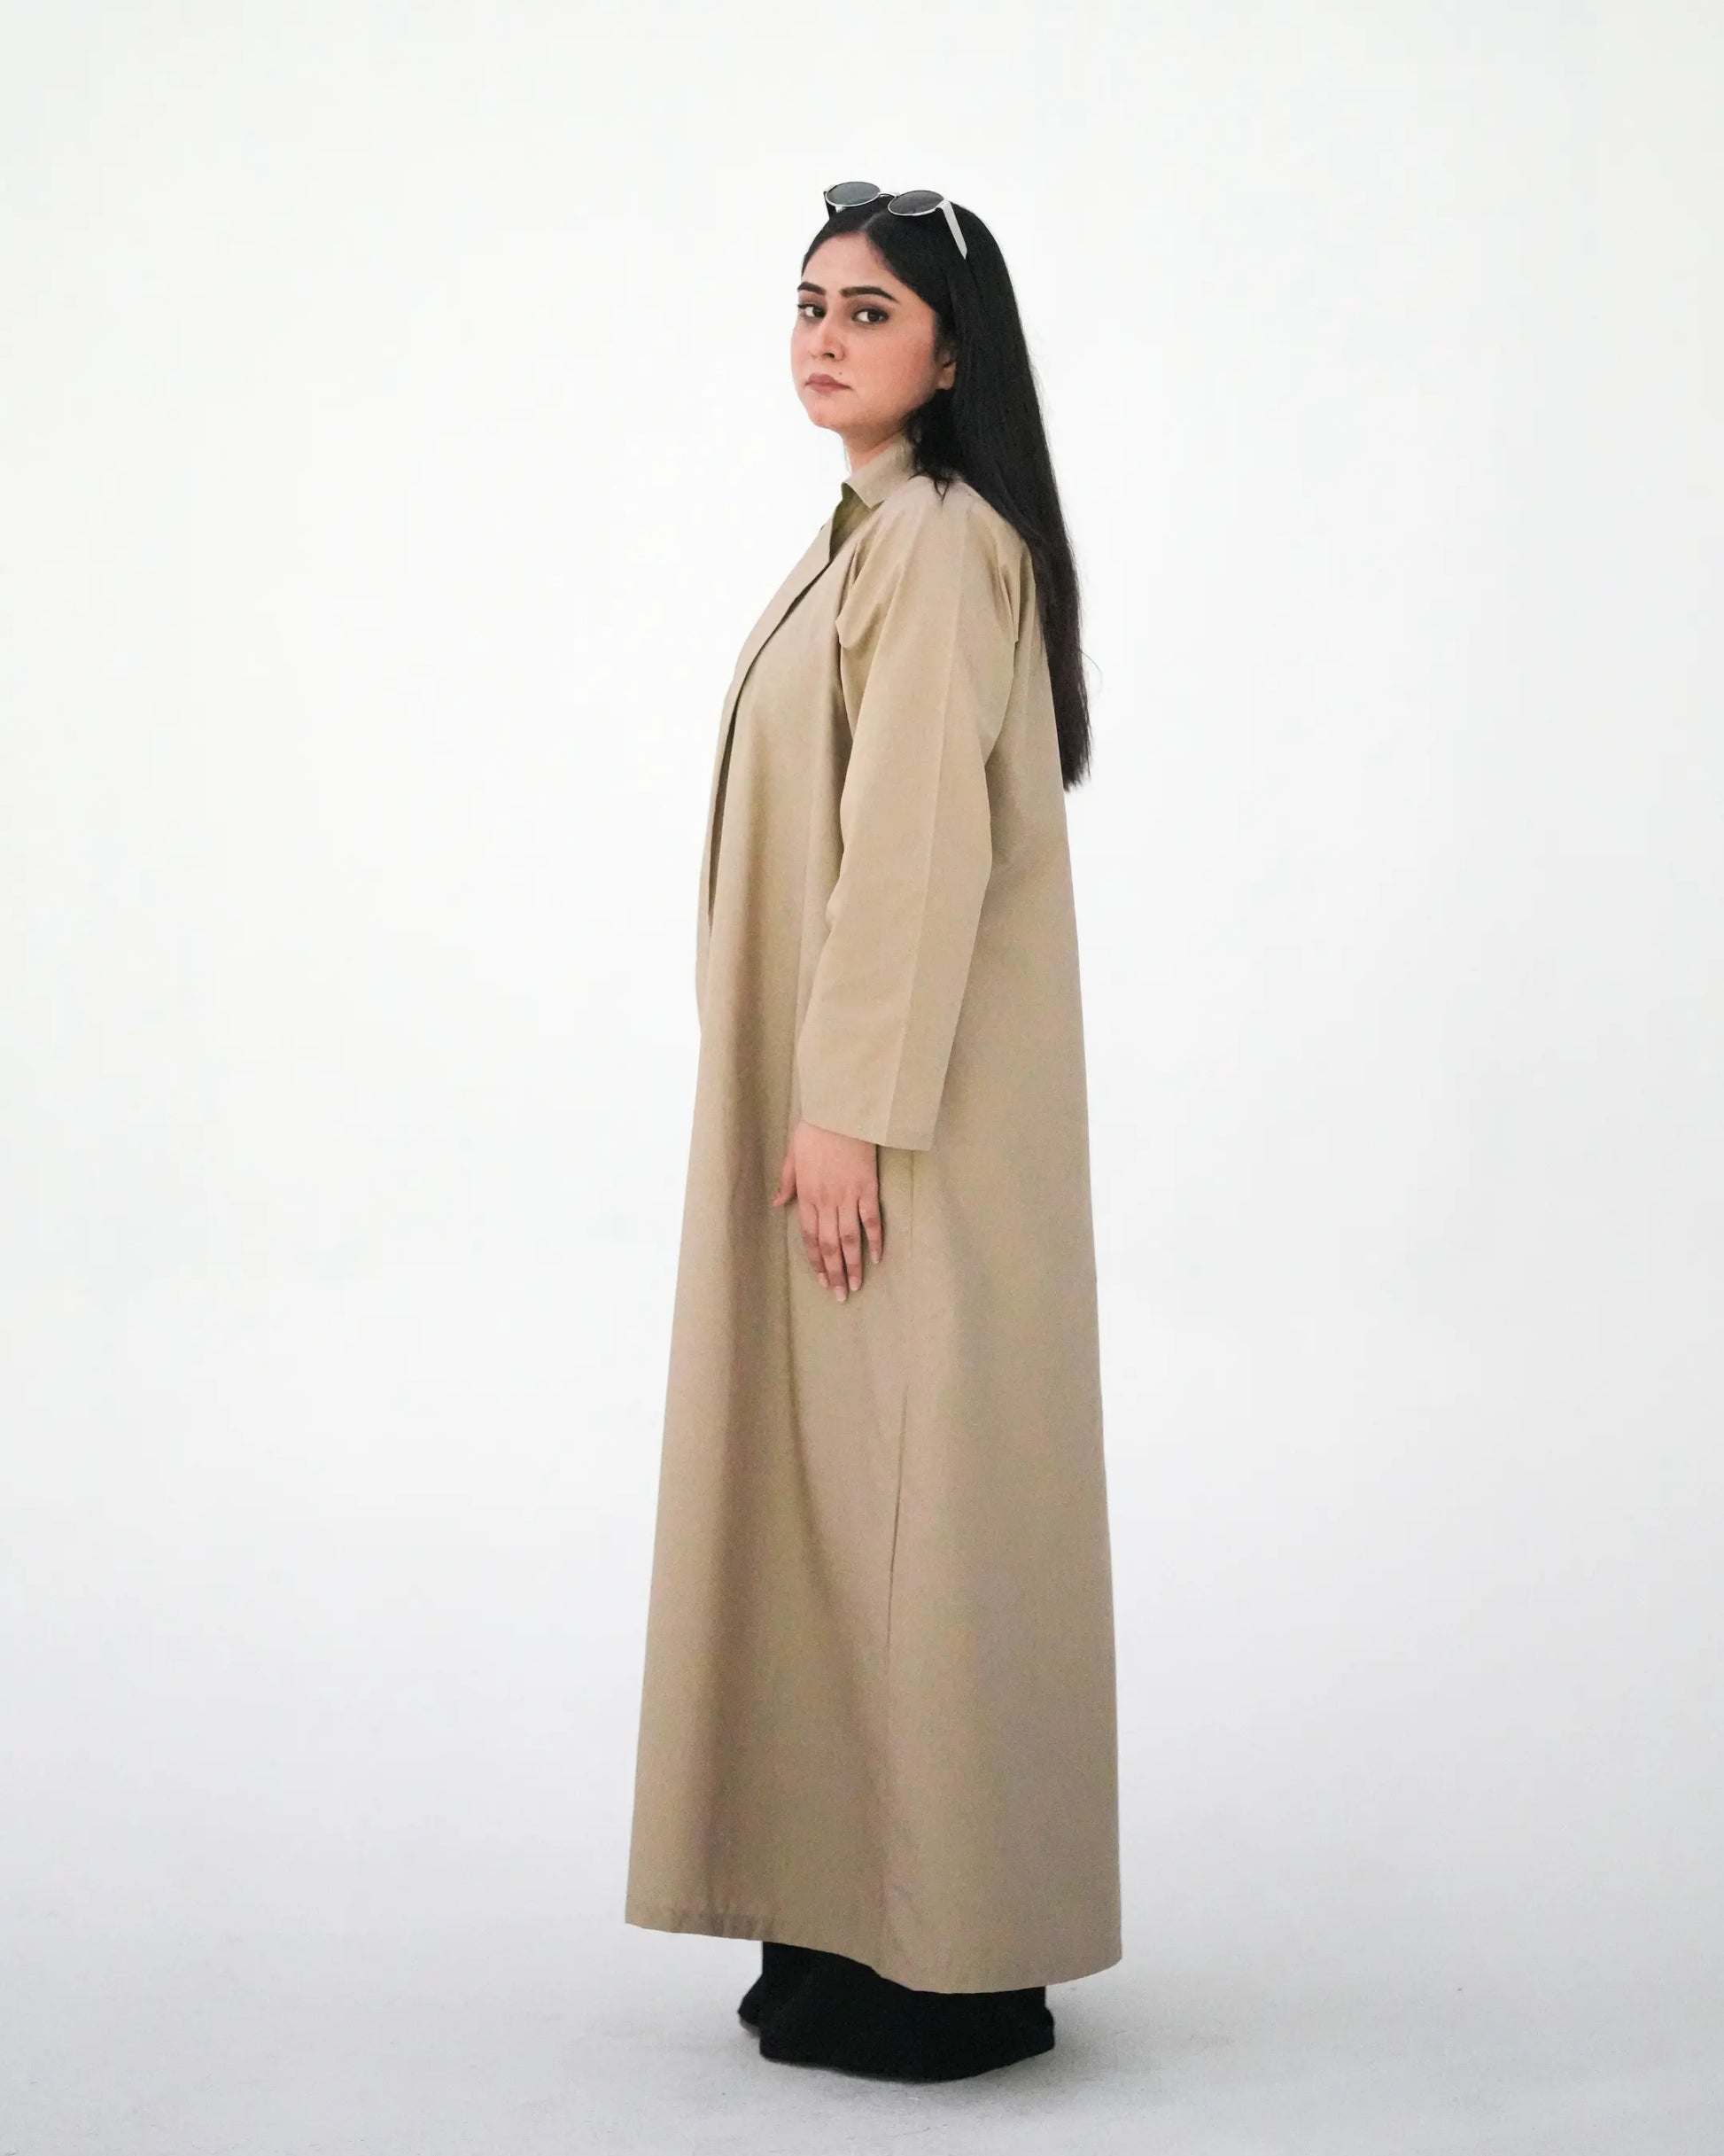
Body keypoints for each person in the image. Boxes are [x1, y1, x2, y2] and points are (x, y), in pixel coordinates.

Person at [624, 182, 1120, 2082]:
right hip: (837, 1111)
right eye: (810, 304)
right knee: (836, 1509)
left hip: (894, 1133)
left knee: (915, 1513)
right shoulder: (865, 537)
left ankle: (949, 1954)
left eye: (870, 311)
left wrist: (844, 1107)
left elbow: (910, 848)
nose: (824, 337)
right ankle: (848, 1917)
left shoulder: (936, 543)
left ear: (952, 352)